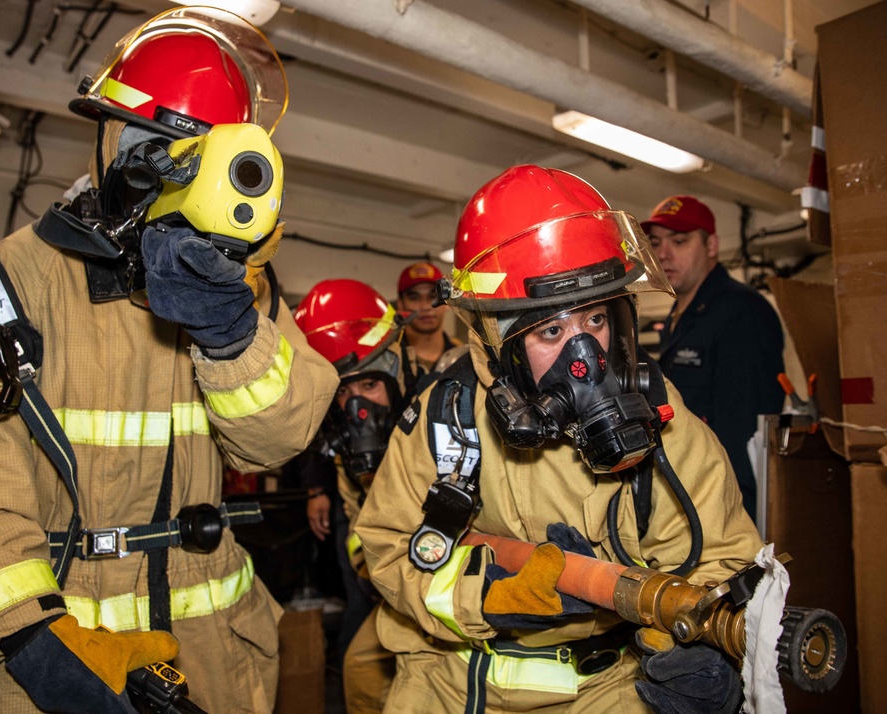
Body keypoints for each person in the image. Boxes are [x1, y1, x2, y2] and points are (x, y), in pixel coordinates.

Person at [0, 8, 338, 714]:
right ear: (111, 144)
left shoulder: (240, 289)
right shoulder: (12, 288)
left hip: (214, 663)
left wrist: (229, 334)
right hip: (50, 657)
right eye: (158, 150)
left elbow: (276, 443)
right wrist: (41, 651)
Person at [354, 166, 763, 713]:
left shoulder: (661, 414)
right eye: (550, 331)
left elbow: (720, 558)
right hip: (451, 686)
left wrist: (704, 647)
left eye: (596, 319)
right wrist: (491, 597)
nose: (583, 357)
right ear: (497, 337)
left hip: (606, 685)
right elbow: (388, 546)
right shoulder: (445, 416)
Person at [295, 279, 416, 713]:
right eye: (342, 393)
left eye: (369, 385)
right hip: (389, 588)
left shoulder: (438, 428)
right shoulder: (347, 452)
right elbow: (360, 523)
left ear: (397, 371)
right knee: (360, 669)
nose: (356, 409)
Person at [642, 195, 785, 522]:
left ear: (711, 246)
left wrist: (731, 514)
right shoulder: (682, 313)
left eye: (679, 241)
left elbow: (743, 429)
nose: (663, 253)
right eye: (656, 242)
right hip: (690, 486)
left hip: (727, 499)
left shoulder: (741, 310)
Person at [396, 261, 463, 375]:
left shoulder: (463, 358)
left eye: (433, 296)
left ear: (447, 303)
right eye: (414, 297)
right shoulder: (389, 359)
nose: (426, 306)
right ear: (400, 305)